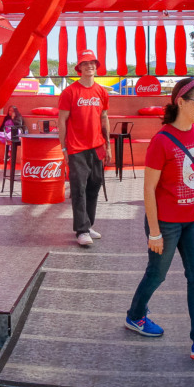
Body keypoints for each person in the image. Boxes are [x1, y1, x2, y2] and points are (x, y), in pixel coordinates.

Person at [124, 77, 194, 361]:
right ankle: (135, 315)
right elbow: (148, 189)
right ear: (180, 103)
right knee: (157, 274)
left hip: (193, 218)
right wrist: (155, 233)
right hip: (166, 224)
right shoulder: (161, 141)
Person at [58, 50, 111, 247]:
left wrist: (108, 146)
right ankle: (81, 230)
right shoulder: (69, 92)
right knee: (78, 189)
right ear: (79, 68)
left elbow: (104, 117)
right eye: (85, 63)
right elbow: (62, 121)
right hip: (76, 149)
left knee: (94, 187)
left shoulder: (102, 92)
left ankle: (88, 226)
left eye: (93, 63)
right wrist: (63, 149)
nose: (90, 66)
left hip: (97, 147)